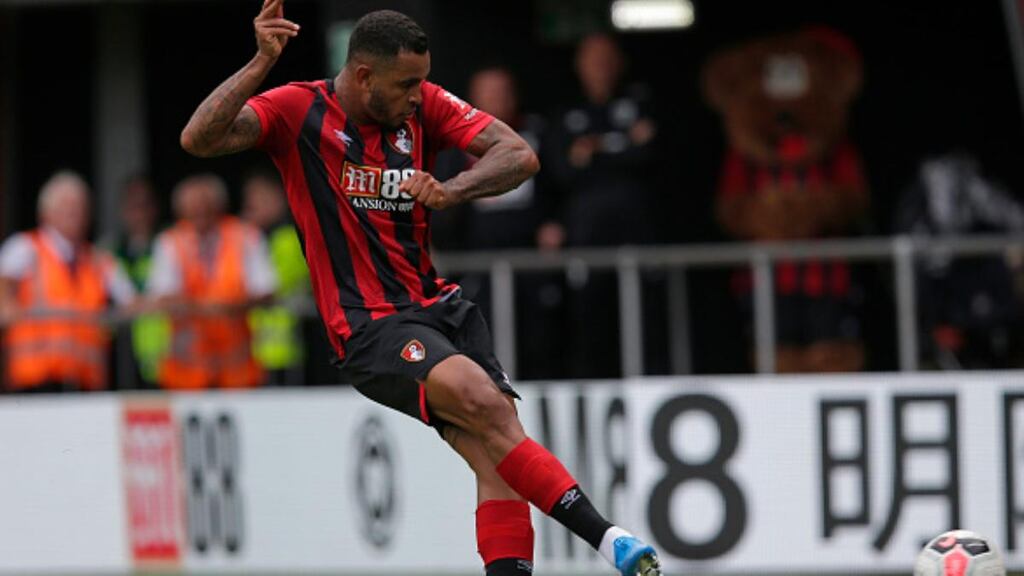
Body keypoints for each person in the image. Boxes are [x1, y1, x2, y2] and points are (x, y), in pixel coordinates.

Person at [180, 5, 660, 576]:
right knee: (482, 402)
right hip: (369, 325)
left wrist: (452, 189)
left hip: (438, 307)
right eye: (406, 83)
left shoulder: (425, 105)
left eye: (421, 81)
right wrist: (261, 62)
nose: (418, 94)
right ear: (362, 76)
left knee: (497, 455)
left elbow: (518, 154)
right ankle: (611, 540)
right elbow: (199, 139)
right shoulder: (297, 109)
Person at [432, 66, 567, 378]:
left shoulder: (537, 134)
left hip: (532, 263)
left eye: (504, 92)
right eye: (489, 93)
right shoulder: (453, 145)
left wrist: (555, 223)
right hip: (478, 268)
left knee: (541, 341)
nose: (498, 100)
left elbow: (560, 186)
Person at [547, 33, 659, 378]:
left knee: (644, 318)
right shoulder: (566, 112)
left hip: (636, 233)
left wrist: (594, 152)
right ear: (579, 66)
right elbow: (562, 170)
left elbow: (649, 156)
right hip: (587, 236)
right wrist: (622, 145)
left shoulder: (641, 102)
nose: (601, 67)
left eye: (608, 58)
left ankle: (647, 385)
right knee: (590, 319)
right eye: (593, 59)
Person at [0, 170, 136, 392]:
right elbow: (4, 286)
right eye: (66, 205)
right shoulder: (25, 247)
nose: (75, 211)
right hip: (33, 381)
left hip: (85, 382)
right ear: (46, 212)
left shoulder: (100, 260)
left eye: (80, 206)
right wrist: (6, 304)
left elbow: (131, 302)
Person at [147, 174, 276, 390]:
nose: (199, 215)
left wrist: (229, 307)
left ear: (219, 207)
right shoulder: (169, 242)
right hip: (186, 375)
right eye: (191, 210)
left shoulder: (246, 236)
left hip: (238, 373)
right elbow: (162, 296)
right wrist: (206, 307)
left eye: (205, 208)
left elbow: (266, 290)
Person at [241, 169, 310, 385]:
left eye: (258, 198)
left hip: (291, 346)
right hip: (262, 347)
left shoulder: (289, 236)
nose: (251, 206)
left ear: (279, 197)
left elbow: (272, 287)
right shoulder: (260, 237)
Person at [105, 175, 169, 387]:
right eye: (132, 206)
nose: (139, 213)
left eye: (144, 205)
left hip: (164, 353)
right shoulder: (108, 251)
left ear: (155, 208)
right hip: (118, 355)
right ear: (123, 210)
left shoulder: (171, 244)